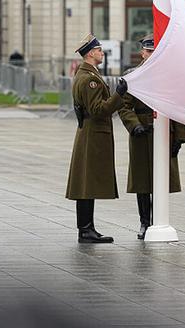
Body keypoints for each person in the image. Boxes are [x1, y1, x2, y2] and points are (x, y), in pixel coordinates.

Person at [118, 34, 184, 239]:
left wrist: (179, 137)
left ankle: (159, 219)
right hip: (142, 134)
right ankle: (144, 222)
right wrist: (134, 125)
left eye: (155, 51)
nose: (151, 55)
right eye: (148, 51)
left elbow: (177, 106)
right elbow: (124, 106)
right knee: (142, 181)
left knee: (161, 180)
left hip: (164, 133)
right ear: (142, 53)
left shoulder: (168, 77)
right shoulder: (133, 76)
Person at [66, 33, 127, 243]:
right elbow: (98, 110)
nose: (102, 53)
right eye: (99, 50)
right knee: (87, 183)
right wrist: (119, 95)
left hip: (89, 132)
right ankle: (85, 230)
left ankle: (87, 228)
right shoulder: (90, 79)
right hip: (93, 133)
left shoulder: (85, 74)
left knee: (86, 182)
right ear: (91, 53)